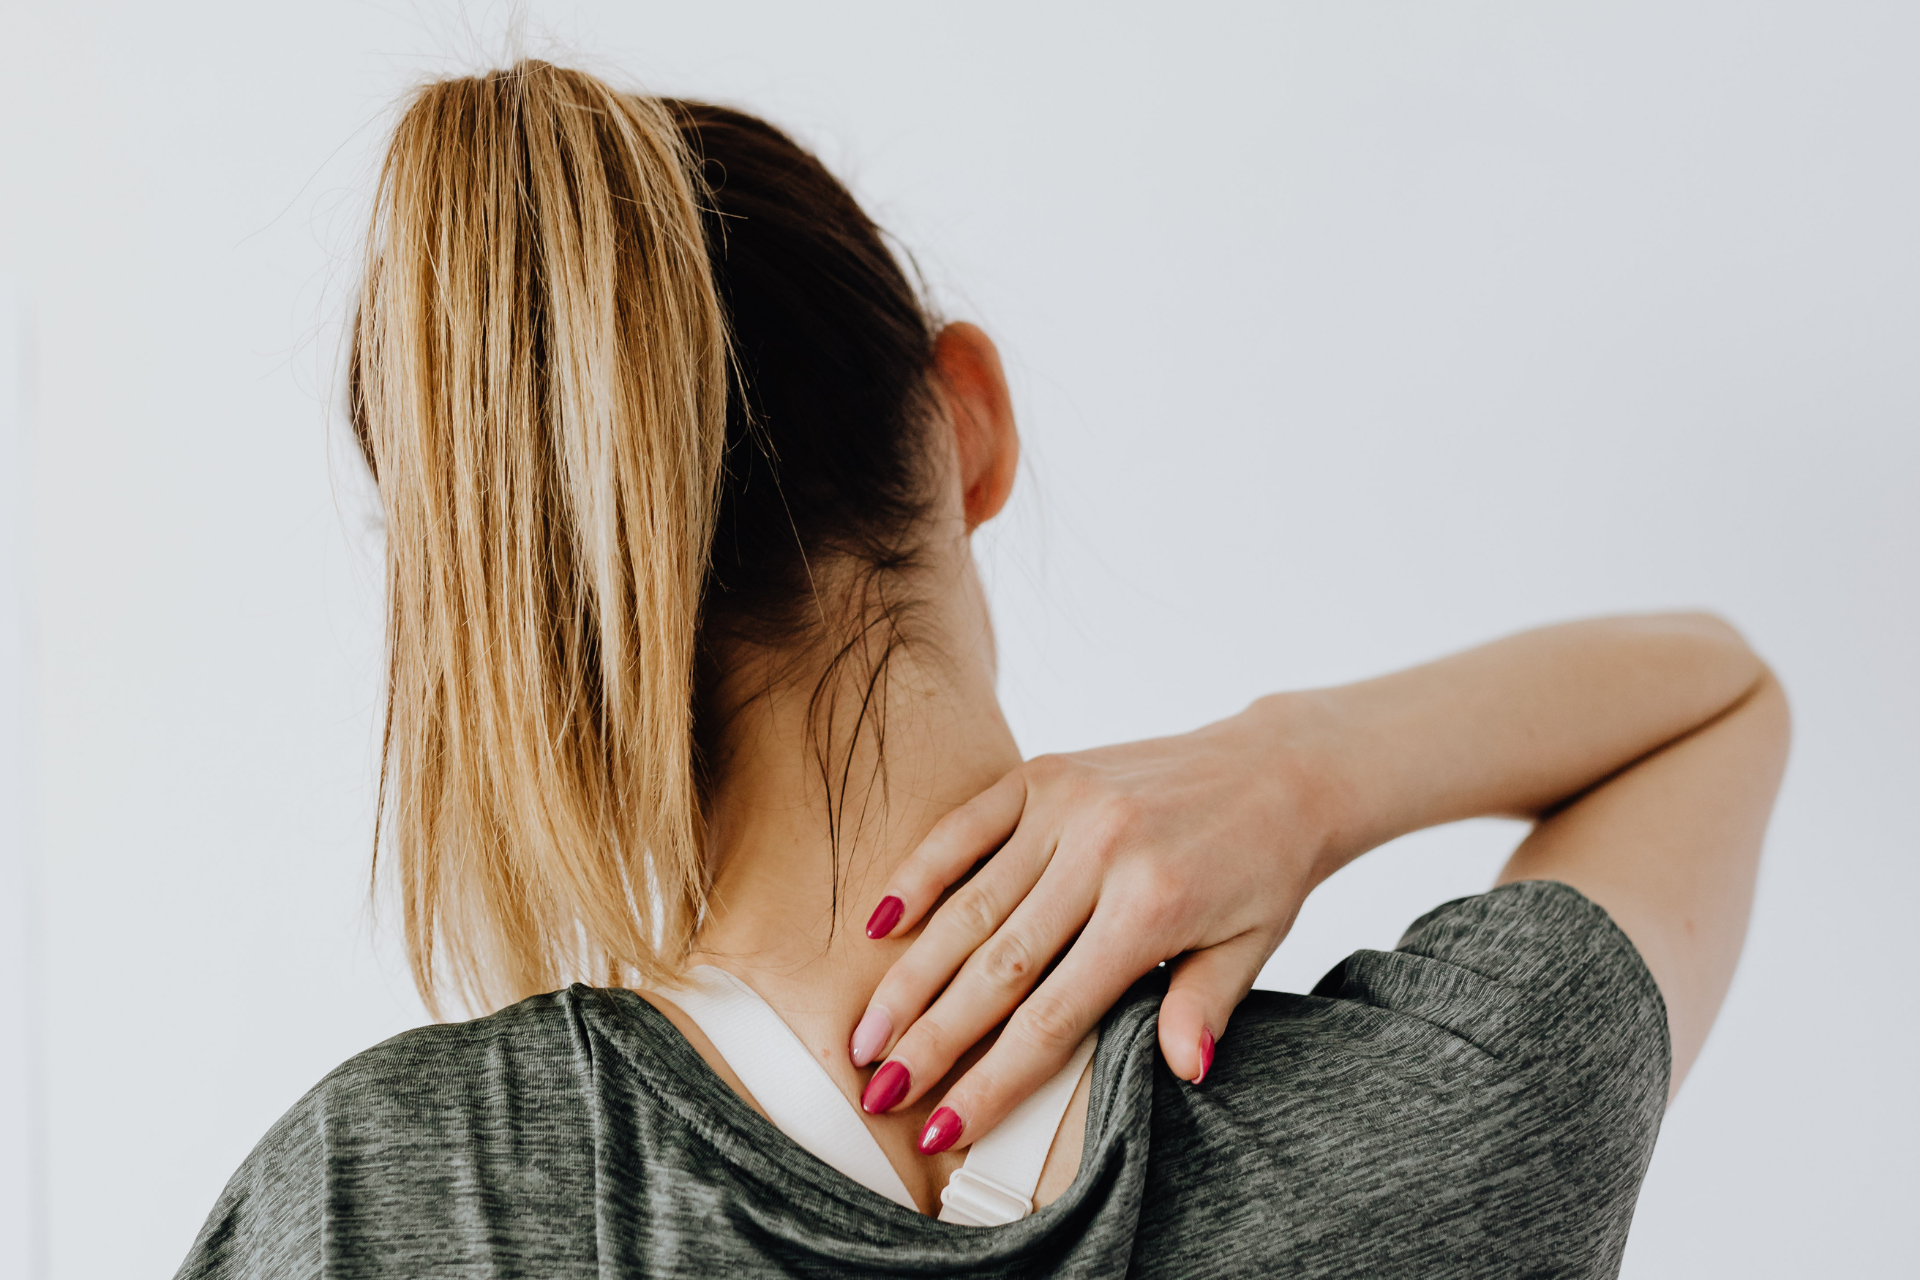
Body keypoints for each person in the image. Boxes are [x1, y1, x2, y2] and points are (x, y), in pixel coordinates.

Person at [175, 60, 1788, 1279]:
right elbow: (1719, 700)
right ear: (969, 420)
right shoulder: (1448, 1121)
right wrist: (1303, 770)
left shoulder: (382, 1199)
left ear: (522, 586)